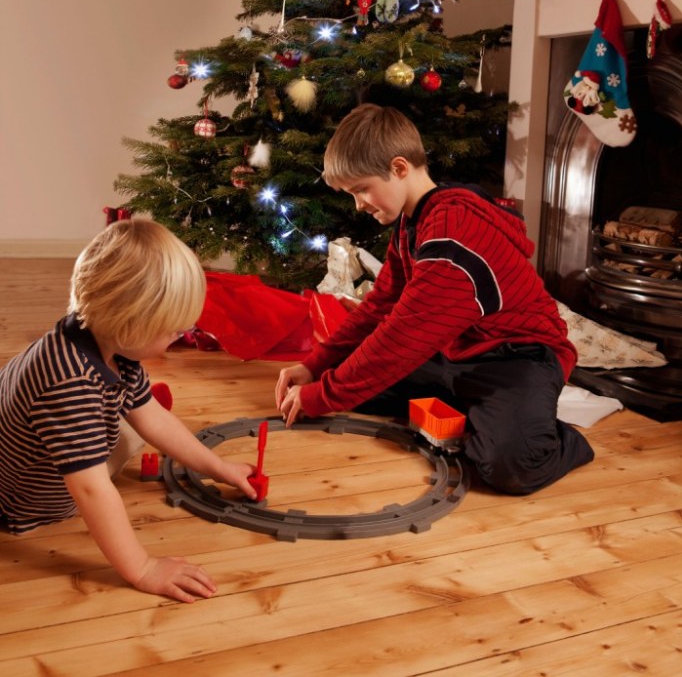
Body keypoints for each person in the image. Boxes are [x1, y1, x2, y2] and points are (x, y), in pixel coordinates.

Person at [275, 104, 594, 495]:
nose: (358, 204)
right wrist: (314, 366)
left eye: (361, 189)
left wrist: (320, 397)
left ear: (399, 168)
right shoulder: (414, 221)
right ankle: (471, 412)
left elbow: (400, 339)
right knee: (355, 379)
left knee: (509, 466)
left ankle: (547, 434)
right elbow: (381, 308)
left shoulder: (453, 236)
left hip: (518, 358)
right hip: (455, 353)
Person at [0, 219, 257, 603]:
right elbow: (90, 489)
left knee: (143, 416)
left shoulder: (109, 343)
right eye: (172, 332)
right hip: (24, 506)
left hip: (47, 451)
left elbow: (153, 416)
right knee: (117, 445)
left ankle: (120, 413)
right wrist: (143, 567)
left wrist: (218, 468)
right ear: (130, 325)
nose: (181, 337)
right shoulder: (68, 382)